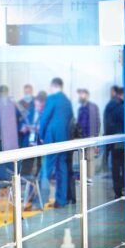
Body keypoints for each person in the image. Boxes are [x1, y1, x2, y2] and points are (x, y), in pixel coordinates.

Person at [38, 77, 75, 208]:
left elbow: (44, 118)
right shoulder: (67, 101)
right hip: (64, 139)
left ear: (53, 86)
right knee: (62, 169)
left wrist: (41, 135)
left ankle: (40, 201)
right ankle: (61, 200)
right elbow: (70, 119)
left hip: (51, 138)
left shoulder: (52, 98)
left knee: (46, 169)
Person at [103, 85, 125, 197]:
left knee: (115, 167)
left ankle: (117, 190)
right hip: (121, 141)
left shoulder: (110, 106)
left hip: (112, 140)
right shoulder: (121, 107)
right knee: (124, 166)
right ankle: (122, 187)